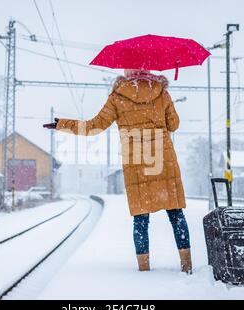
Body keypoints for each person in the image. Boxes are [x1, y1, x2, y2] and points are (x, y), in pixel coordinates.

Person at [43, 69, 191, 273]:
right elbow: (174, 125)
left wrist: (62, 124)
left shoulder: (118, 96)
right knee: (176, 214)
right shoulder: (161, 92)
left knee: (141, 218)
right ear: (148, 68)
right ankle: (186, 265)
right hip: (162, 158)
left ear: (127, 71)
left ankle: (144, 268)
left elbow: (94, 126)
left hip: (137, 163)